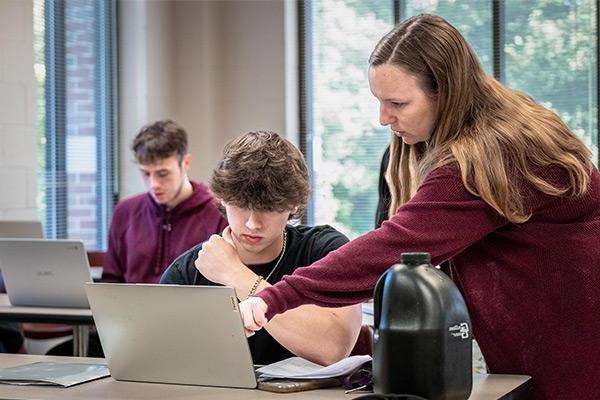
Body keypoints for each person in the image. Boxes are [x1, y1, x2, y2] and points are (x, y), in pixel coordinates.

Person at [238, 14, 600, 400]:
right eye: (379, 102)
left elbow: (395, 245)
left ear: (446, 92)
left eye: (397, 103)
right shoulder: (496, 120)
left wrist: (273, 297)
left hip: (573, 339)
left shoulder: (486, 155)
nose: (382, 118)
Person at [160, 131, 362, 366]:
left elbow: (334, 348)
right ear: (223, 198)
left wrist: (236, 276)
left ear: (293, 204)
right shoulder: (188, 271)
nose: (253, 223)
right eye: (241, 206)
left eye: (268, 208)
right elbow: (163, 360)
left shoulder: (324, 251)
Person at [102, 119, 227, 283]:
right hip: (132, 308)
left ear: (186, 163)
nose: (154, 184)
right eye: (146, 174)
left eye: (163, 174)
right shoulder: (125, 212)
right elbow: (111, 281)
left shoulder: (218, 213)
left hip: (191, 308)